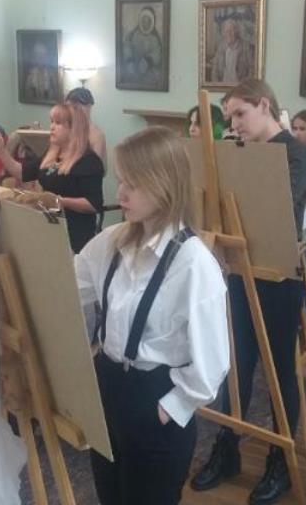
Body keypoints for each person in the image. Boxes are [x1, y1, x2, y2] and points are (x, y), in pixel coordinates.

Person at [76, 126, 229, 505]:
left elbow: (212, 364)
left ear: (164, 185)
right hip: (108, 392)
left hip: (154, 403)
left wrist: (168, 408)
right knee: (110, 496)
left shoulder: (194, 264)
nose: (120, 194)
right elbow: (67, 289)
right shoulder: (110, 242)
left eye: (133, 184)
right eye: (120, 181)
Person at [191, 79, 306, 505]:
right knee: (236, 367)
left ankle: (280, 461)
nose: (235, 125)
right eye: (230, 118)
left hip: (279, 275)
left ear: (265, 105)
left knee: (279, 371)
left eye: (240, 114)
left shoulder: (296, 152)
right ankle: (227, 448)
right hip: (238, 272)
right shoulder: (236, 152)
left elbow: (280, 205)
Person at [0, 103, 104, 253]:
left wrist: (58, 201)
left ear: (73, 129)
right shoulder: (51, 155)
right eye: (51, 121)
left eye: (58, 123)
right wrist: (0, 150)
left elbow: (94, 204)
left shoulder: (89, 161)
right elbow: (22, 172)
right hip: (50, 228)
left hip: (75, 235)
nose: (52, 127)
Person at [66, 87, 108, 171]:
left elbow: (95, 168)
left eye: (76, 107)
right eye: (69, 107)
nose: (72, 111)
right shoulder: (67, 129)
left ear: (89, 106)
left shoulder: (96, 134)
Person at [122, 6, 164, 87]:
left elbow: (157, 53)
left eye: (148, 22)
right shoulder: (132, 35)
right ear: (140, 22)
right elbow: (127, 47)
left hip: (149, 70)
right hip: (133, 67)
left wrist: (148, 60)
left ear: (151, 23)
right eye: (143, 21)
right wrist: (129, 60)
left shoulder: (155, 39)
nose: (145, 24)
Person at [210, 18, 253, 84]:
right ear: (223, 33)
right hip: (223, 87)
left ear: (236, 32)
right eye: (226, 31)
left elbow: (251, 70)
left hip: (240, 87)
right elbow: (214, 70)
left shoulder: (246, 47)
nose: (229, 33)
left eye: (231, 30)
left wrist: (244, 86)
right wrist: (217, 85)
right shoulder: (221, 47)